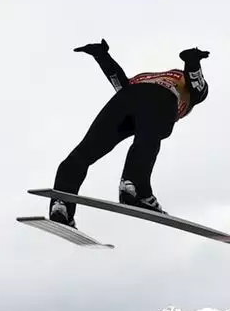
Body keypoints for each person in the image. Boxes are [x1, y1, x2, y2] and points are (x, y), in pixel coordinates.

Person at [48, 39, 210, 227]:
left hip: (126, 97)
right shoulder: (186, 87)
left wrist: (102, 56)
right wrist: (192, 59)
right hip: (161, 98)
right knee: (148, 138)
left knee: (86, 150)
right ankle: (135, 188)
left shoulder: (144, 77)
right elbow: (197, 86)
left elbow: (119, 82)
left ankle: (61, 203)